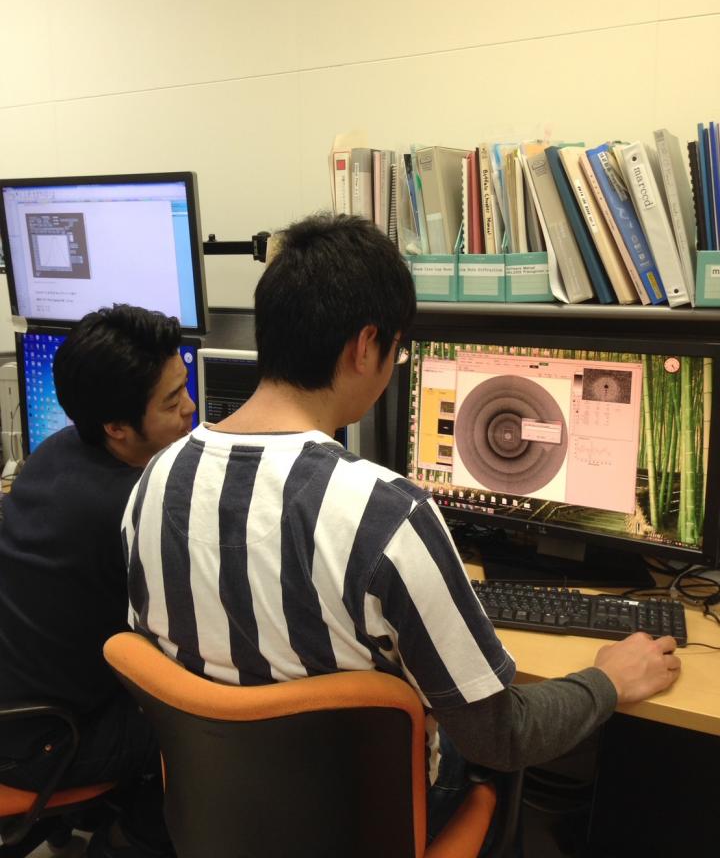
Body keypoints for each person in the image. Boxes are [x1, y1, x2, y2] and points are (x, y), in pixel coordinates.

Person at [125, 215, 681, 844]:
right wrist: (609, 678)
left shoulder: (153, 481)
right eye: (398, 349)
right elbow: (501, 736)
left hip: (219, 821)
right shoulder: (386, 513)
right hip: (363, 827)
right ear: (366, 347)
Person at [0, 304, 196, 858]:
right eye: (171, 401)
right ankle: (130, 841)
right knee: (200, 726)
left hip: (15, 702)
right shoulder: (131, 508)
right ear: (116, 426)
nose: (191, 408)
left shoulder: (55, 452)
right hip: (43, 743)